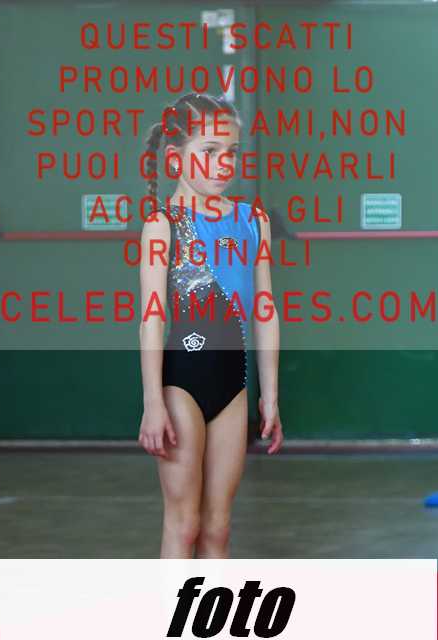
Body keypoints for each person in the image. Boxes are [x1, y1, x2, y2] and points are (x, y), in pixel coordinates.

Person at [138, 91, 283, 558]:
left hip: (232, 387)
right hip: (181, 383)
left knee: (218, 527)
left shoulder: (252, 221)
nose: (224, 164)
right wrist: (152, 403)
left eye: (231, 153)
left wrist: (270, 395)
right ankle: (172, 609)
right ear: (176, 158)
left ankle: (210, 610)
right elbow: (152, 317)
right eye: (210, 151)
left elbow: (265, 308)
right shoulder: (163, 224)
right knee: (185, 523)